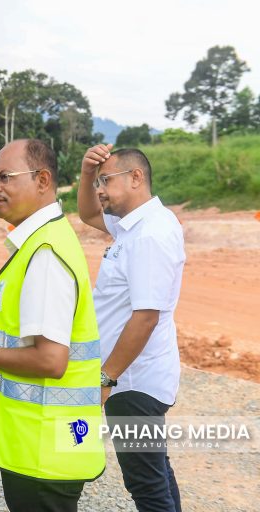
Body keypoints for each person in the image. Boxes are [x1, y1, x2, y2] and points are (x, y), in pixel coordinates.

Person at [0, 139, 105, 512]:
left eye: (5, 177)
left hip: (42, 451)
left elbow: (51, 360)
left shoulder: (45, 254)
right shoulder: (42, 242)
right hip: (41, 444)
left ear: (42, 180)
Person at [78, 144, 185, 511]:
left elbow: (146, 317)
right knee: (157, 474)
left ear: (136, 177)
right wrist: (87, 172)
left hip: (133, 380)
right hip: (131, 377)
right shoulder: (132, 226)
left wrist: (107, 378)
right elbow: (88, 213)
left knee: (146, 484)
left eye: (107, 180)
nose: (101, 189)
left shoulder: (149, 235)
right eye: (99, 181)